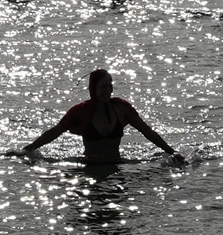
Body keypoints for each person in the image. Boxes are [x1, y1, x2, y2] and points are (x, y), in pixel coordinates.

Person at [21, 69, 184, 164]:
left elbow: (147, 132)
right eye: (102, 87)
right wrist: (29, 149)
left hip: (116, 165)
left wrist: (172, 153)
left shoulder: (121, 109)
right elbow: (54, 132)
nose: (107, 90)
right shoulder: (81, 112)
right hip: (89, 167)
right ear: (93, 89)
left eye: (109, 86)